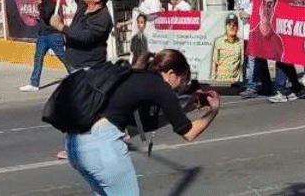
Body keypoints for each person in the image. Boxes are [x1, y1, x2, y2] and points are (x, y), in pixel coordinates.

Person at [64, 49, 220, 196]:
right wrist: (213, 111)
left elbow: (147, 124)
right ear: (171, 74)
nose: (180, 87)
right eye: (182, 80)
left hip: (76, 146)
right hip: (102, 147)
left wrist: (186, 109)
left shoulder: (138, 77)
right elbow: (189, 133)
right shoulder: (161, 88)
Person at [51, 0, 114, 70]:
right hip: (73, 62)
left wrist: (61, 27)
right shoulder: (84, 6)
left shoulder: (102, 18)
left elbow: (85, 36)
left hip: (89, 67)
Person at [21, 0, 68, 92]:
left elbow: (47, 16)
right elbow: (43, 18)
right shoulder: (42, 4)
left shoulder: (51, 2)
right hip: (43, 35)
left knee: (62, 56)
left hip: (53, 34)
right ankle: (34, 83)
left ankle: (77, 75)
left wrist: (40, 7)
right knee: (38, 57)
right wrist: (36, 17)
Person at [210, 15, 244, 82]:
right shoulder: (219, 42)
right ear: (226, 27)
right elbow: (214, 63)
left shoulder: (241, 43)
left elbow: (242, 64)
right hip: (220, 81)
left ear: (237, 27)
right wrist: (212, 81)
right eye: (229, 25)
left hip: (234, 82)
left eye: (234, 25)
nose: (231, 27)